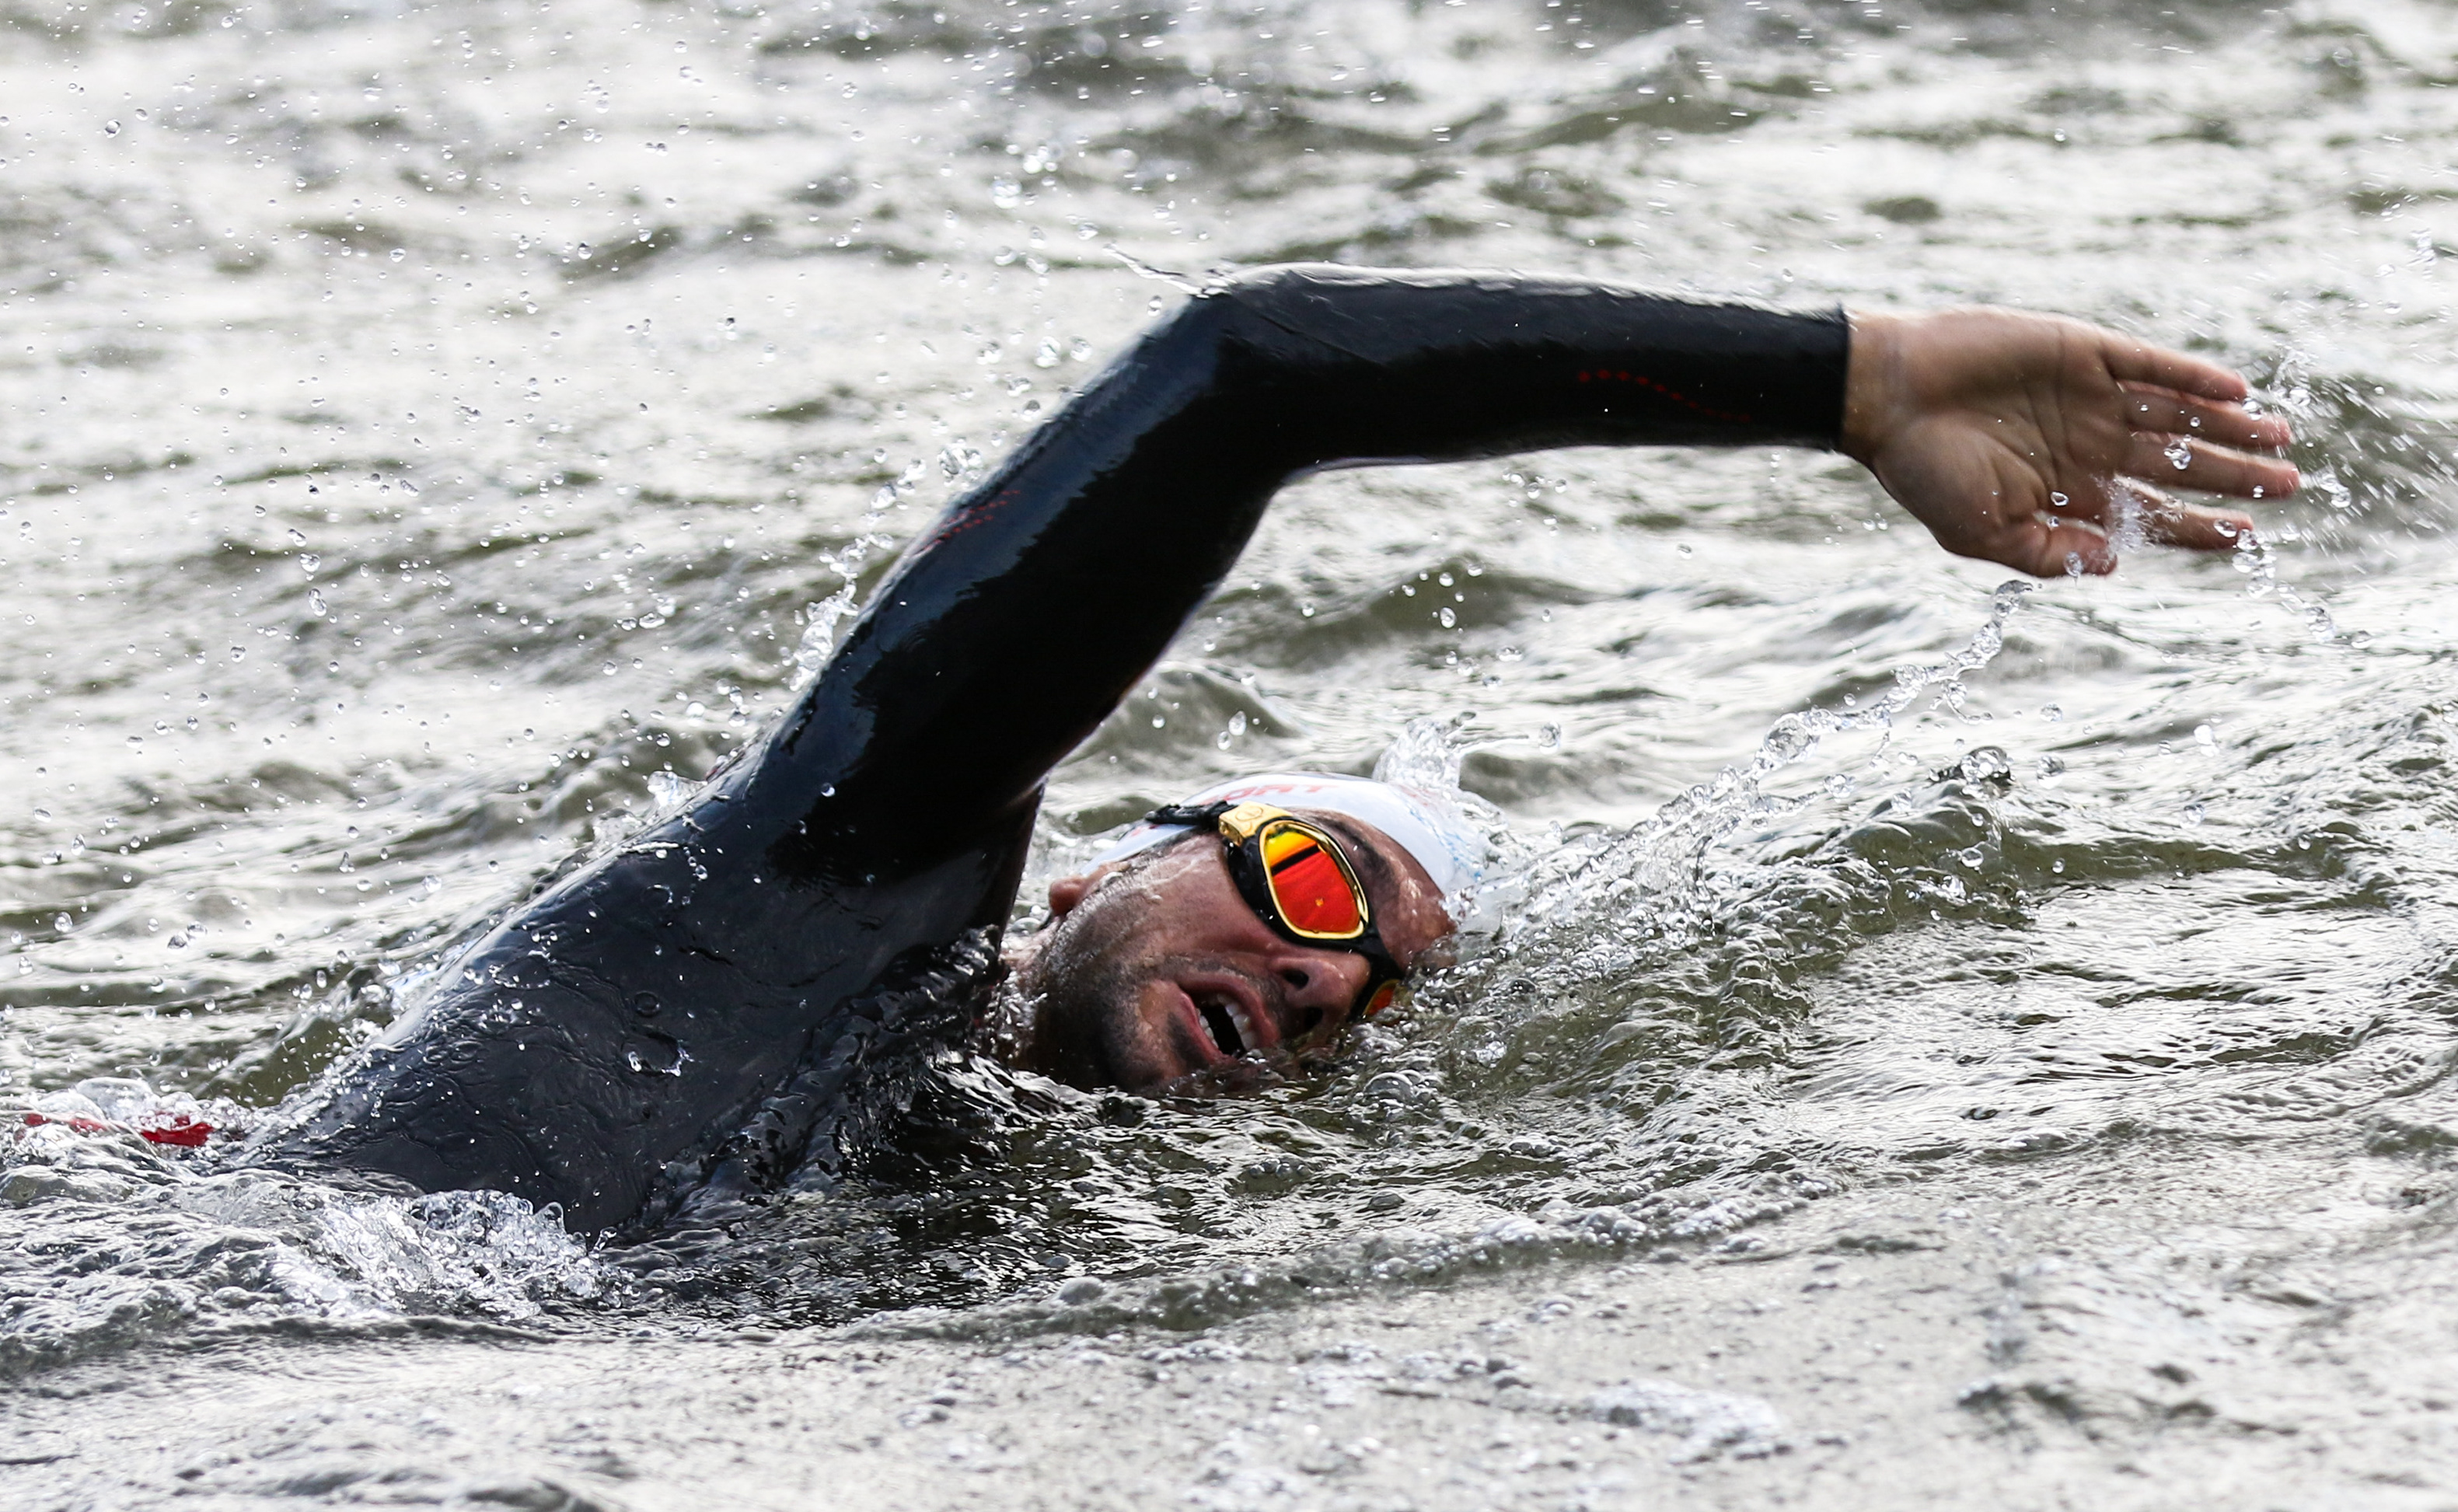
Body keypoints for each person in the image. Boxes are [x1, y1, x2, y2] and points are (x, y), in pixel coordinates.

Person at [248, 266, 2298, 1234]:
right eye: (1317, 883)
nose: (1326, 976)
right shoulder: (837, 874)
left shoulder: (984, 1221)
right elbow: (1241, 372)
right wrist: (1852, 383)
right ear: (1105, 864)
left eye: (1373, 994)